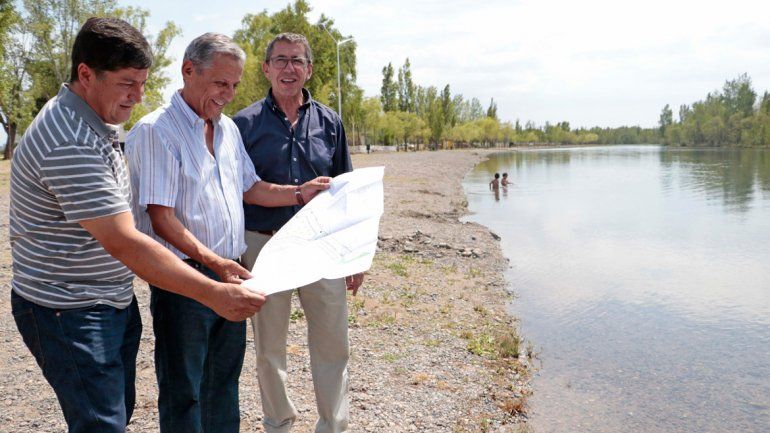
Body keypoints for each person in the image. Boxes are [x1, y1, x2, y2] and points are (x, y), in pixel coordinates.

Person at [9, 18, 265, 433]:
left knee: (115, 413)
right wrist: (213, 292)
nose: (139, 95)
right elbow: (125, 240)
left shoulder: (96, 121)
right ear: (86, 74)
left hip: (107, 299)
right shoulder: (69, 138)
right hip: (68, 307)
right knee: (102, 423)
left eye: (142, 83)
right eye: (128, 83)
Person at [124, 33, 330, 433]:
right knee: (186, 390)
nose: (228, 95)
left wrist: (299, 192)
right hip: (185, 280)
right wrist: (216, 263)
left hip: (230, 273)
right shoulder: (156, 131)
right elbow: (162, 218)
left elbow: (251, 188)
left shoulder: (228, 129)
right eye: (220, 83)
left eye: (234, 85)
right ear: (188, 70)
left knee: (223, 385)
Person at [232, 32, 364, 433]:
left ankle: (333, 425)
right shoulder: (242, 124)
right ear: (266, 68)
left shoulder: (331, 122)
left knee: (333, 344)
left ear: (308, 70)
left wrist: (354, 256)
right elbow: (238, 188)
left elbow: (345, 192)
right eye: (281, 60)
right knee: (269, 347)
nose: (288, 68)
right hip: (264, 246)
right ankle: (279, 424)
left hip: (321, 248)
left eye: (297, 61)